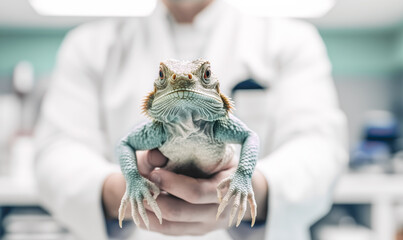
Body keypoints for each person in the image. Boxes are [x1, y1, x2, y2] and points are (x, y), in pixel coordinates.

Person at [34, 0, 348, 239]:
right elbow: (56, 152)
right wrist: (124, 188)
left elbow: (321, 148)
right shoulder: (88, 45)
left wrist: (250, 186)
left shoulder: (292, 38)